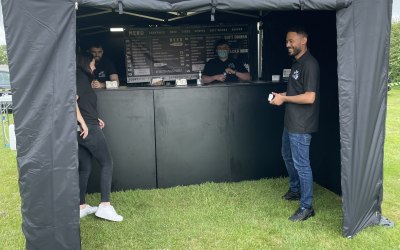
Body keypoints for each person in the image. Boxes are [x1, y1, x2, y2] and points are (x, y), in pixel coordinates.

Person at [269, 26, 319, 222]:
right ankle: (296, 190)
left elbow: (309, 97)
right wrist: (283, 95)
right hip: (291, 121)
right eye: (286, 41)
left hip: (302, 124)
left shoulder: (310, 64)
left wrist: (285, 100)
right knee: (287, 155)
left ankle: (307, 207)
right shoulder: (297, 63)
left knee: (302, 164)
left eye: (291, 41)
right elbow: (298, 91)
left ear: (303, 40)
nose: (287, 44)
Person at [76, 52, 123, 222]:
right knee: (107, 163)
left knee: (85, 167)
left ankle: (80, 206)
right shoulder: (80, 76)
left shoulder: (79, 77)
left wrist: (94, 118)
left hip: (83, 128)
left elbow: (83, 103)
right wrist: (84, 123)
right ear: (86, 63)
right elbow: (71, 100)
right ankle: (105, 206)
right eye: (93, 63)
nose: (95, 66)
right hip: (88, 129)